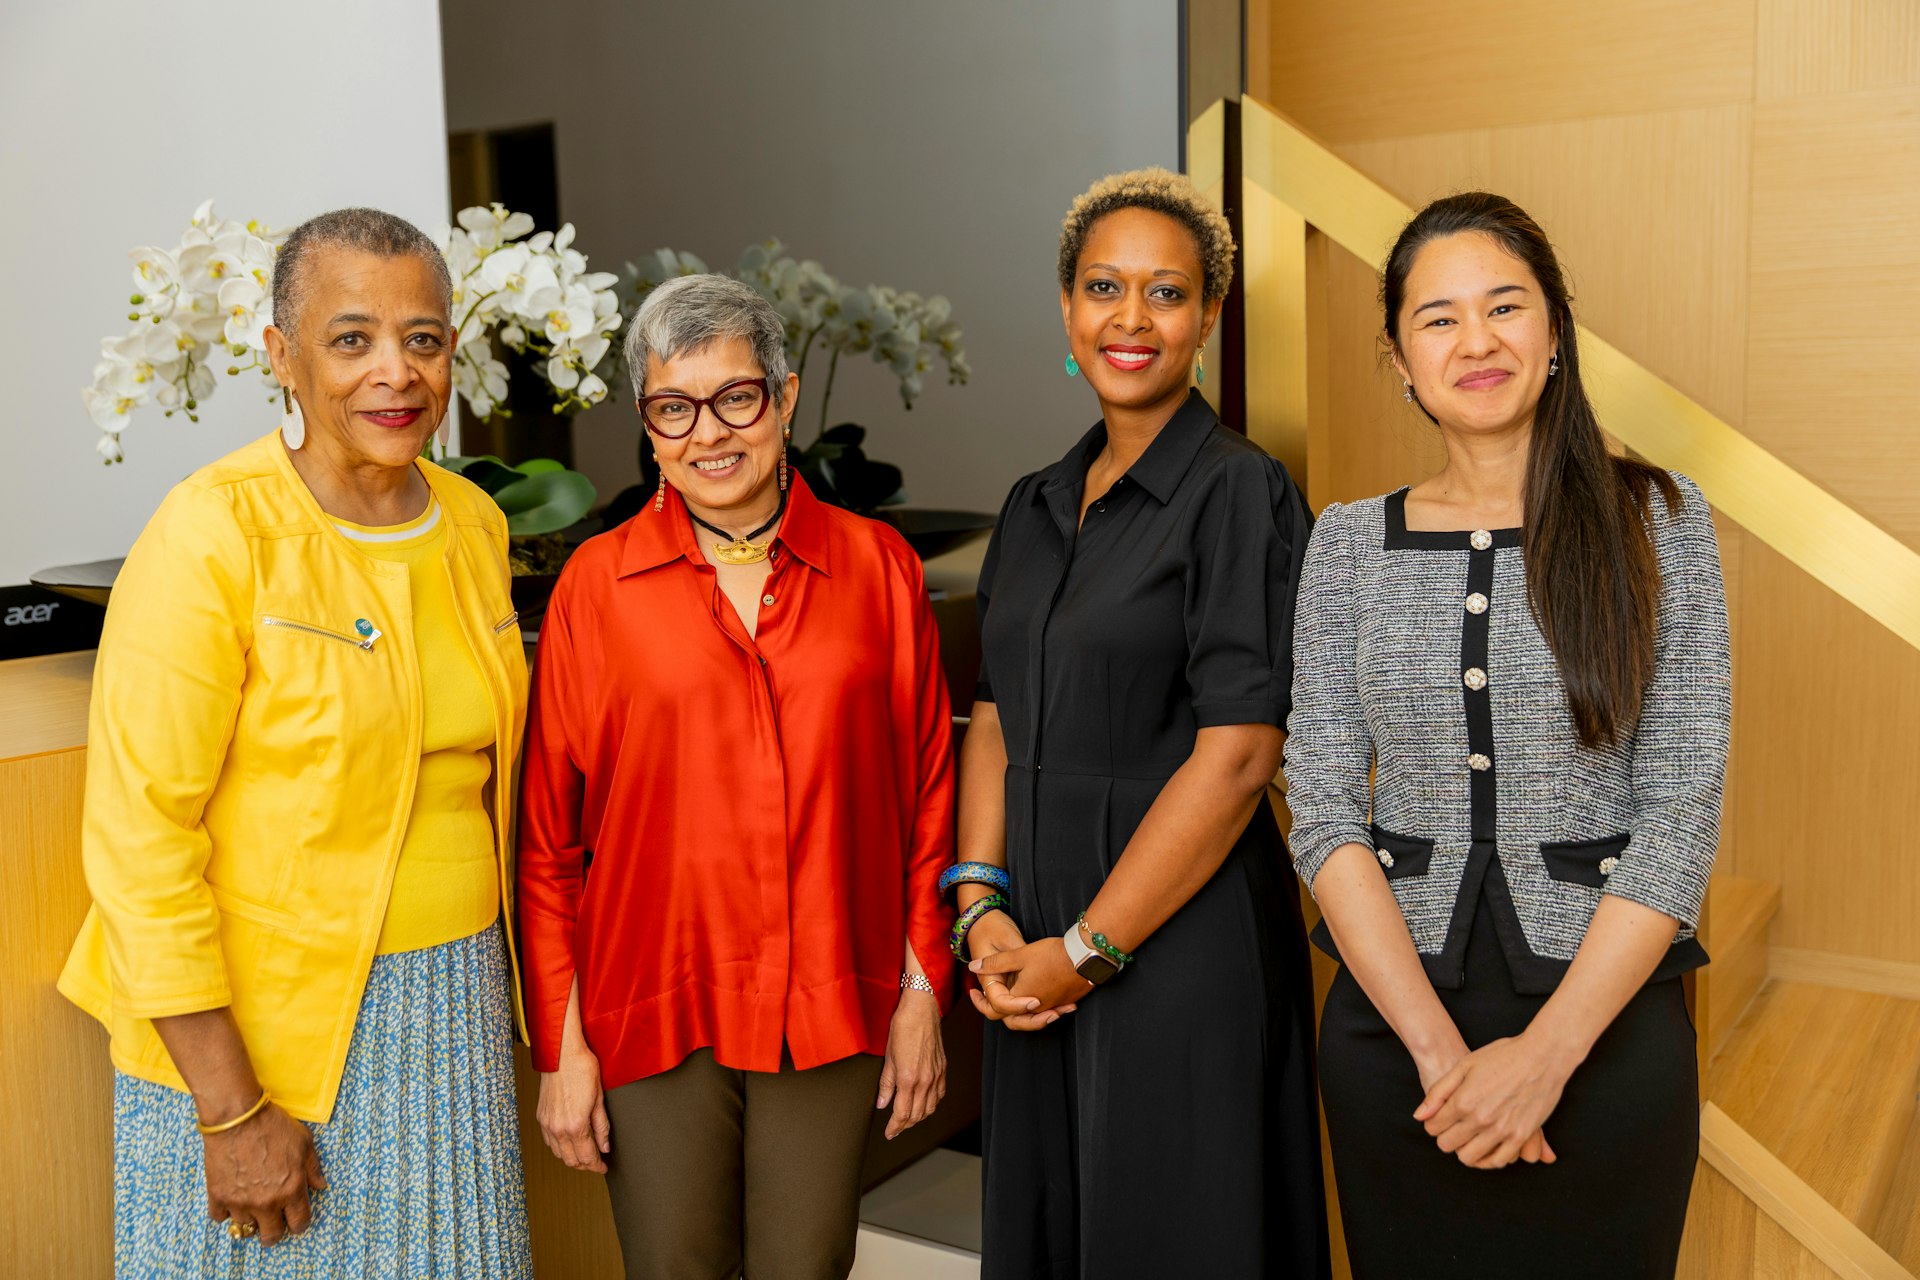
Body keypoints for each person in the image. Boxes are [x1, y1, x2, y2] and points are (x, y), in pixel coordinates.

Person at [58, 207, 533, 1277]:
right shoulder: (211, 530)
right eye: (350, 337)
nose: (394, 373)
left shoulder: (473, 523)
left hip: (449, 1016)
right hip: (254, 1043)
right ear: (281, 354)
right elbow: (139, 841)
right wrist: (230, 1110)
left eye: (423, 338)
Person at [1284, 192, 1731, 1278]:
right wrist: (1441, 1056)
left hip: (1608, 1039)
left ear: (1555, 332)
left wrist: (1544, 1056)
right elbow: (1323, 802)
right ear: (1398, 356)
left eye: (1503, 306)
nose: (1474, 340)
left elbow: (1680, 809)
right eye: (1436, 318)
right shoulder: (1346, 544)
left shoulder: (1660, 521)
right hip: (1397, 1047)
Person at [517, 273, 956, 1280]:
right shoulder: (598, 583)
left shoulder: (878, 566)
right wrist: (563, 1046)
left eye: (736, 397)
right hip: (651, 1007)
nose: (707, 432)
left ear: (787, 397)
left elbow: (931, 792)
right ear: (649, 423)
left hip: (831, 1001)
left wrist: (924, 989)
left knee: (807, 1267)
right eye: (675, 407)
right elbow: (550, 845)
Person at [955, 168, 1329, 1278]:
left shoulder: (1239, 490)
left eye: (1165, 293)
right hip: (1028, 941)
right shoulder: (1029, 502)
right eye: (1103, 287)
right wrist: (982, 906)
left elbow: (1244, 752)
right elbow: (990, 717)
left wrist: (1088, 948)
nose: (1131, 318)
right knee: (1053, 1230)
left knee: (1172, 1235)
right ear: (1066, 310)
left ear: (1208, 317)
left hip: (1178, 937)